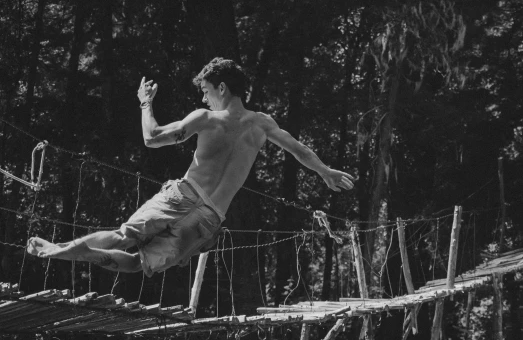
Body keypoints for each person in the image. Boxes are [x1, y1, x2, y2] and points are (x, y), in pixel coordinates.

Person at [26, 57, 354, 277]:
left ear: (221, 88)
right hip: (208, 218)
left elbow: (152, 138)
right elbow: (299, 151)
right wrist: (326, 172)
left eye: (207, 91)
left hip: (183, 196)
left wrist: (145, 103)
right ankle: (67, 253)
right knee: (138, 264)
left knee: (124, 236)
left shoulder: (206, 118)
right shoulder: (263, 124)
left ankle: (60, 251)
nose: (206, 98)